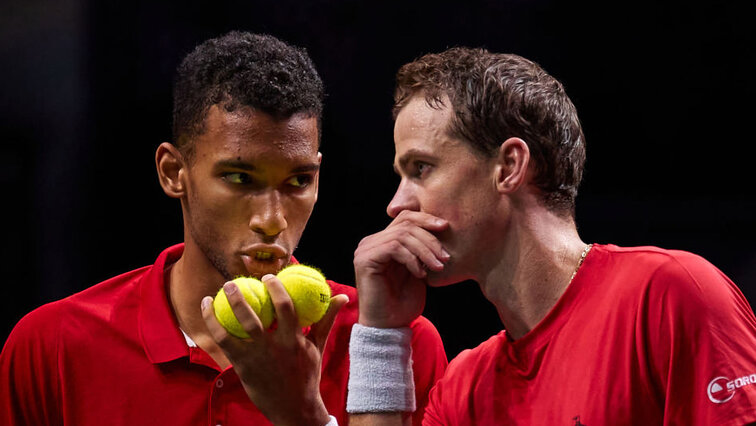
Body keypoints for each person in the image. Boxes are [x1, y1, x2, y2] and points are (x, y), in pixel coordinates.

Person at [0, 31, 447, 426]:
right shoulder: (51, 347)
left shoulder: (392, 343)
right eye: (239, 178)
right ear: (174, 171)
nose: (271, 219)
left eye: (298, 181)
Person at [345, 47, 756, 425]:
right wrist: (381, 336)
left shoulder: (671, 293)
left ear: (508, 167)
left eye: (420, 169)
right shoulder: (463, 391)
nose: (396, 206)